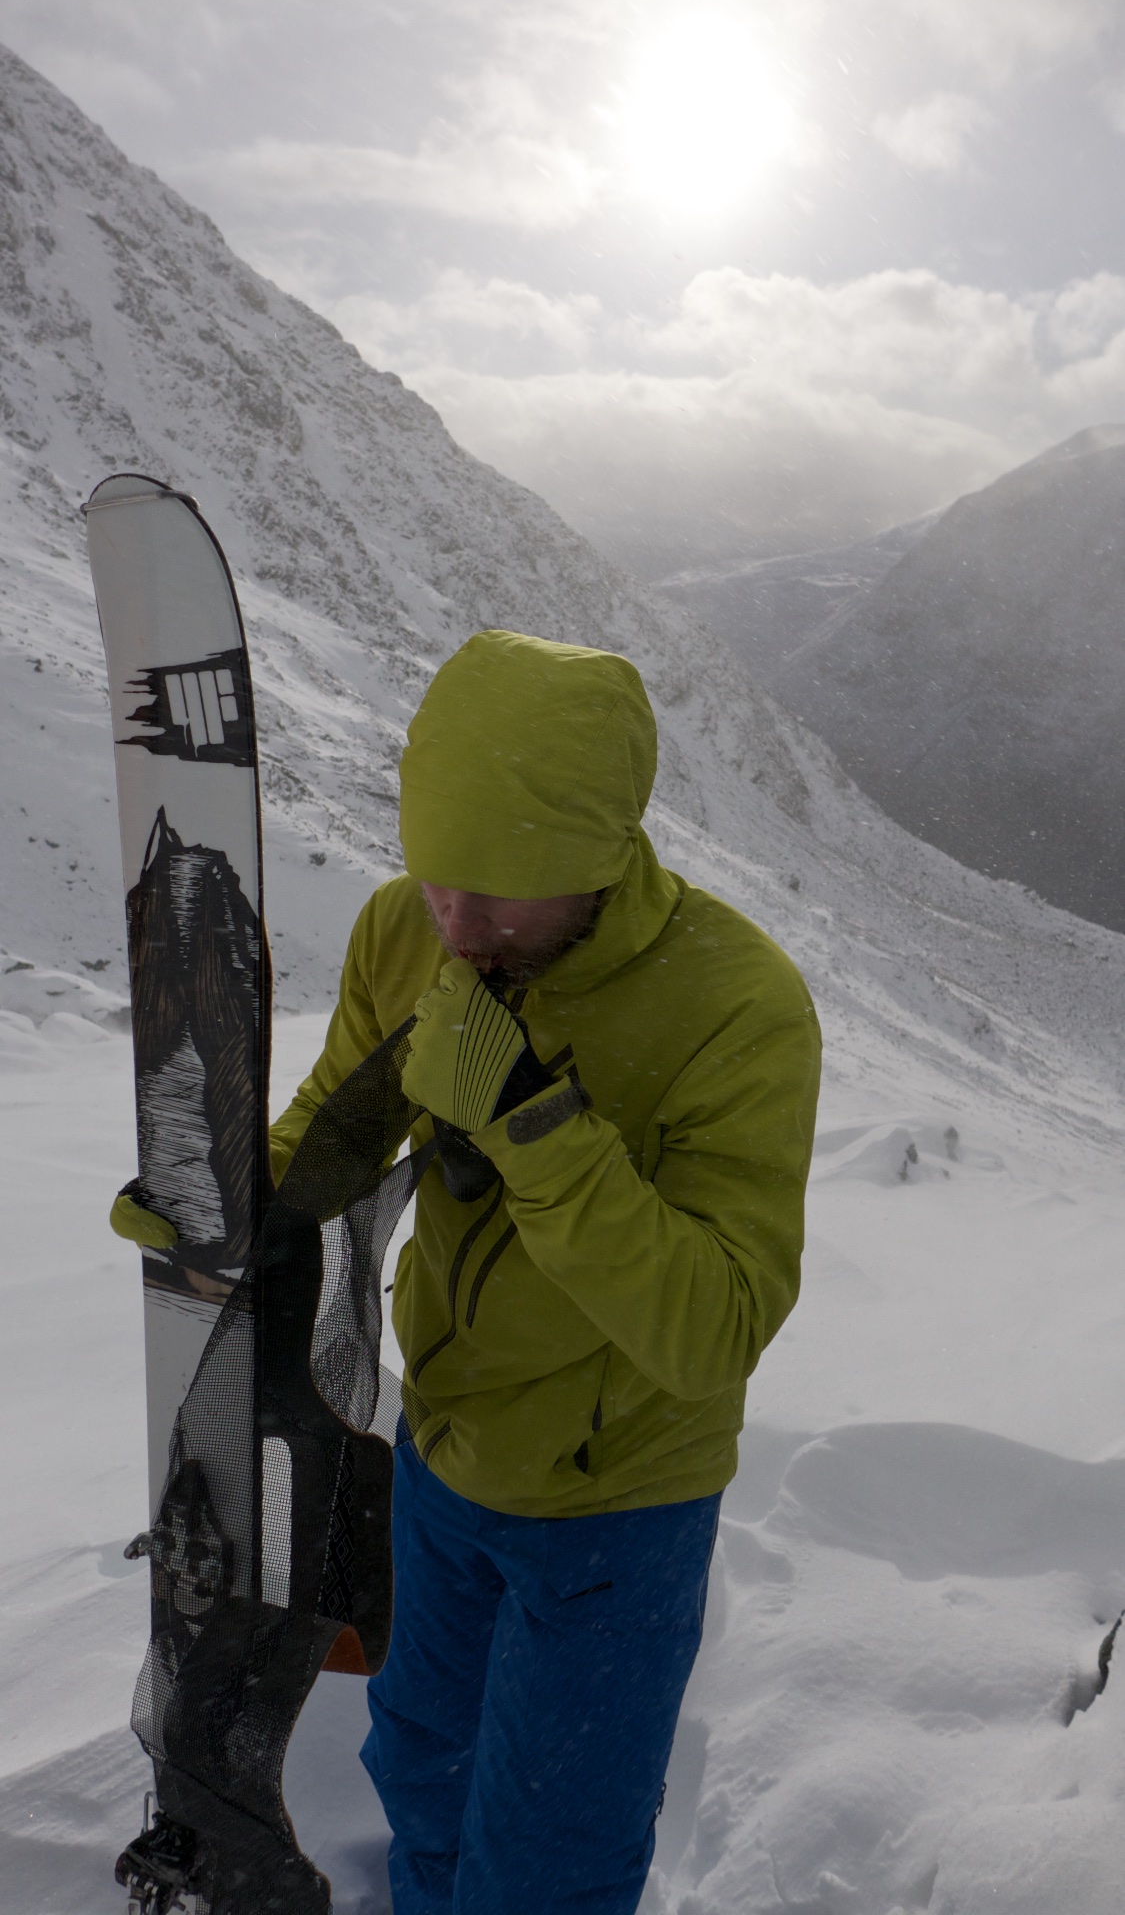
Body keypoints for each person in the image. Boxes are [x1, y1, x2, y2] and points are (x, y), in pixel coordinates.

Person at [119, 628, 822, 1915]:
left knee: (547, 1863)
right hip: (439, 1462)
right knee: (425, 1775)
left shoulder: (737, 1004)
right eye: (441, 877)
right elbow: (338, 1120)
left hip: (618, 1516)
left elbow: (713, 1326)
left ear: (602, 861)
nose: (459, 921)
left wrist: (532, 1121)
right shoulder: (410, 930)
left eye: (502, 894)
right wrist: (227, 1198)